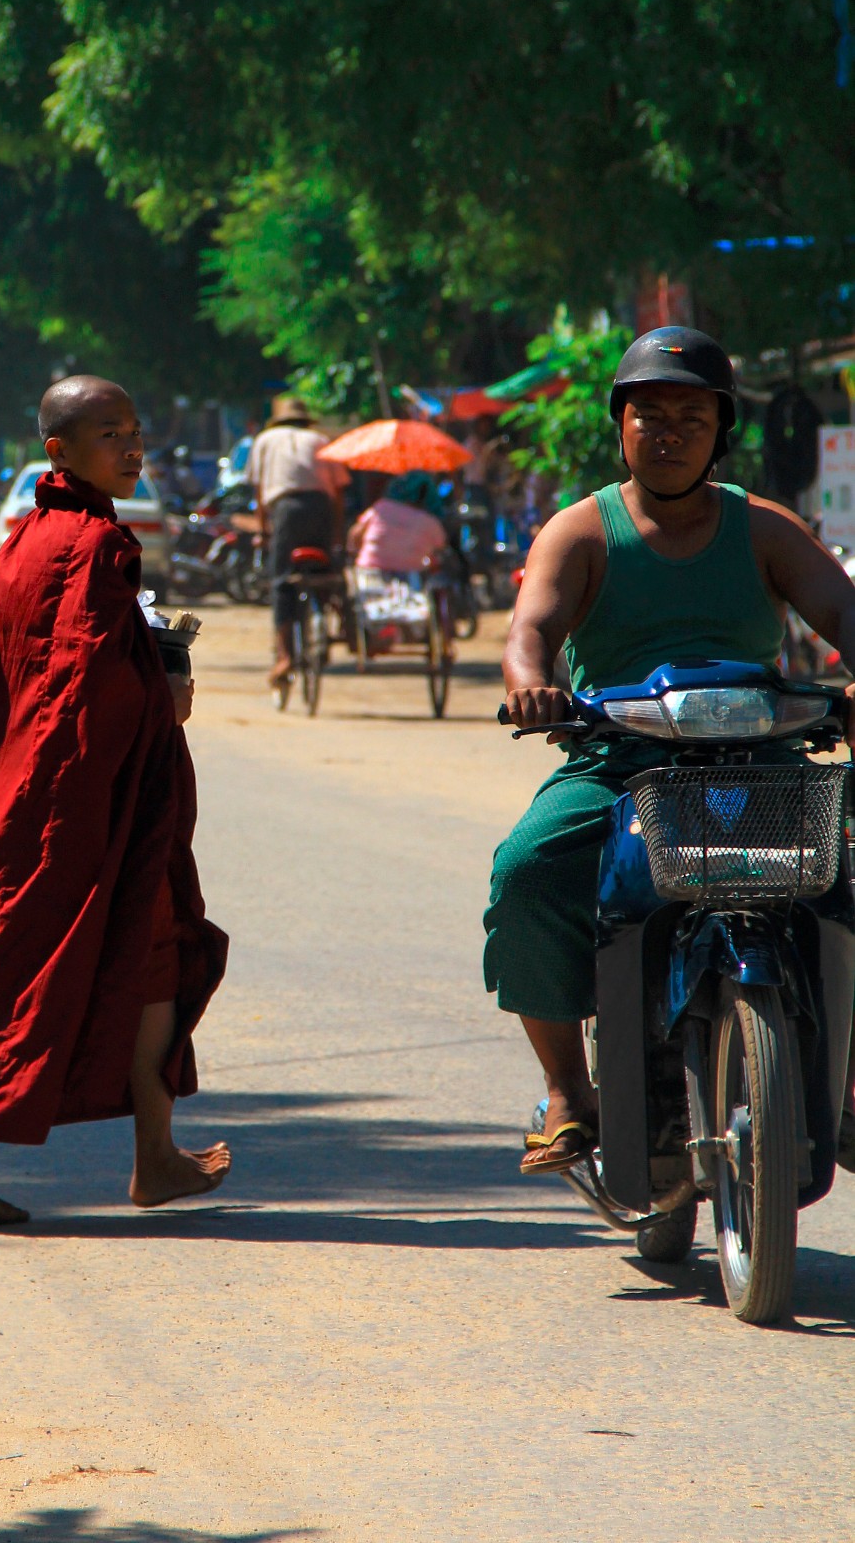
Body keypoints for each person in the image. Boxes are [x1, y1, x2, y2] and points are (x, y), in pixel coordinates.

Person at [488, 327, 855, 1175]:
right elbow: (531, 630)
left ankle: (844, 1070)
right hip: (622, 764)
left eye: (691, 415)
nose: (668, 431)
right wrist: (531, 683)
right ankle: (568, 1093)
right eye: (647, 413)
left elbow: (841, 613)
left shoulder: (766, 528)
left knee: (843, 879)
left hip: (763, 762)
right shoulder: (580, 530)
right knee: (528, 872)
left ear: (720, 430)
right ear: (619, 426)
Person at [0, 374, 230, 1226]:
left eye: (135, 429)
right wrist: (166, 698)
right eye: (109, 432)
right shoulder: (92, 547)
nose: (131, 446)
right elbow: (87, 689)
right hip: (63, 803)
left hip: (19, 789)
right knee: (8, 964)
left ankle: (152, 1157)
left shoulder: (32, 536)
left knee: (135, 951)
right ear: (60, 451)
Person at [245, 395, 349, 689]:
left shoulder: (265, 439)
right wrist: (336, 533)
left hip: (287, 511)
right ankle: (322, 629)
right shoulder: (320, 439)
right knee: (324, 573)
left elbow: (260, 491)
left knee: (281, 582)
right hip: (322, 508)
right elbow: (338, 493)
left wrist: (264, 531)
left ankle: (284, 657)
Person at [347, 472, 449, 573]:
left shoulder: (381, 507)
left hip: (368, 574)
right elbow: (440, 551)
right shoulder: (432, 523)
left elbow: (355, 534)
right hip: (410, 578)